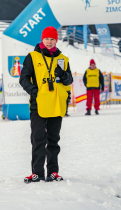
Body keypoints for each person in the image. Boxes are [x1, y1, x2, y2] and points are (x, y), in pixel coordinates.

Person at [20, 26, 73, 183]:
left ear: (56, 41)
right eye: (47, 39)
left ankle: (53, 172)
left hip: (56, 104)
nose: (49, 42)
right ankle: (37, 173)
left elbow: (69, 80)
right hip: (38, 104)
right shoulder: (32, 57)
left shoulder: (62, 59)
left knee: (53, 140)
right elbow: (23, 78)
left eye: (52, 39)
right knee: (38, 139)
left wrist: (62, 74)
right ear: (42, 39)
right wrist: (34, 91)